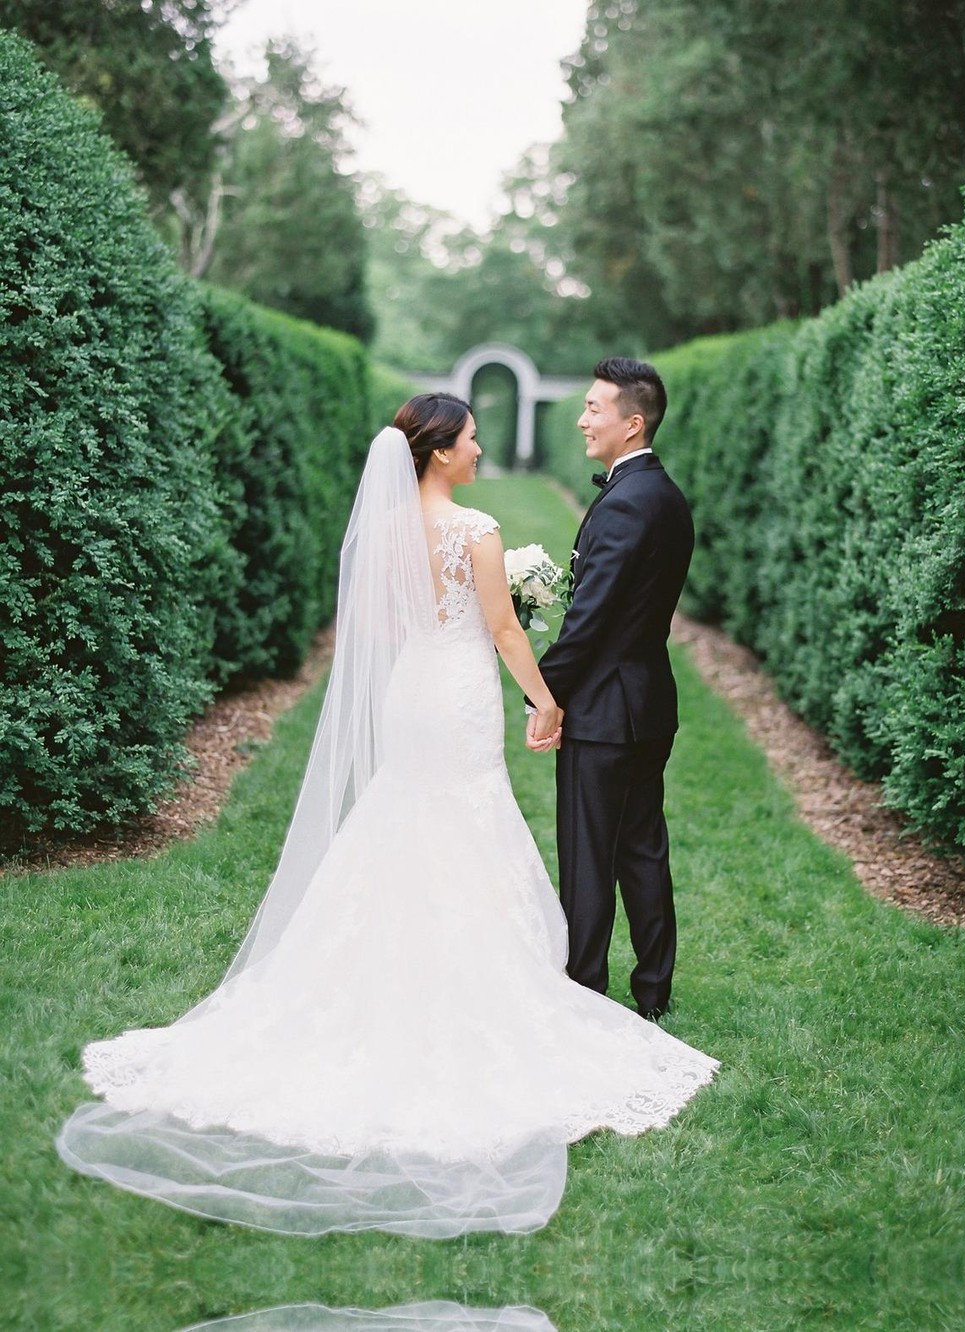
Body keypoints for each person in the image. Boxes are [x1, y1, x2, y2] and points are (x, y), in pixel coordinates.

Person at [56, 393, 717, 1239]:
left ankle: (371, 967)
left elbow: (385, 627)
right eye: (472, 437)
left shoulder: (387, 532)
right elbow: (506, 632)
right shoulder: (474, 533)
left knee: (404, 815)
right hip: (462, 696)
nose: (479, 448)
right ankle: (474, 981)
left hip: (414, 692)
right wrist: (546, 703)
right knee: (466, 818)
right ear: (440, 453)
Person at [532, 359, 692, 1022]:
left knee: (590, 855)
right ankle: (653, 988)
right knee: (641, 847)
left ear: (632, 423)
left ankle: (583, 991)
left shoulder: (627, 501)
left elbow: (590, 619)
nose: (582, 417)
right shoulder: (663, 493)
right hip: (646, 703)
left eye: (595, 407)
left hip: (605, 712)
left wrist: (543, 694)